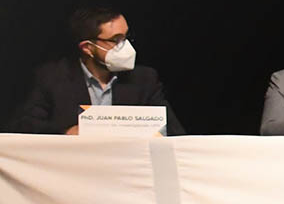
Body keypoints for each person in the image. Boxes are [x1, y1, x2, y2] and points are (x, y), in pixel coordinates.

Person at [9, 7, 185, 135]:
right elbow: (24, 126)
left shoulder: (144, 79)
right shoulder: (52, 77)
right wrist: (66, 133)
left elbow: (174, 132)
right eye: (116, 40)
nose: (125, 47)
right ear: (87, 47)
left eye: (126, 37)